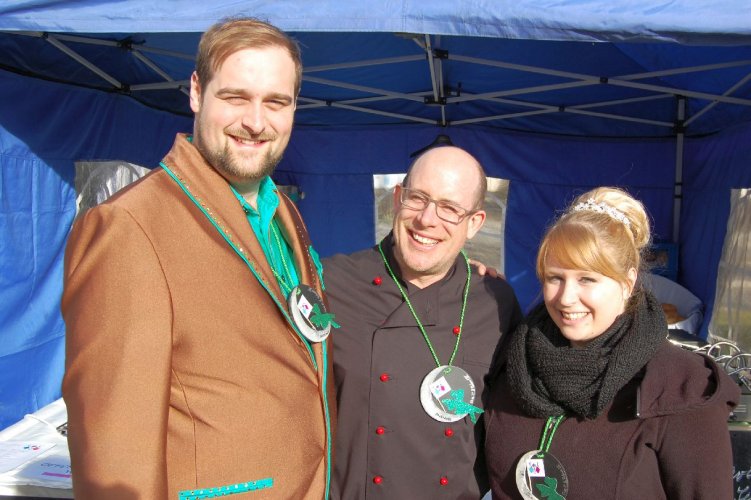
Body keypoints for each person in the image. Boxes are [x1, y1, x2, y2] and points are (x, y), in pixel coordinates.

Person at [62, 18, 336, 499]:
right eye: (235, 97)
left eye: (276, 102)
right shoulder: (128, 226)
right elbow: (114, 453)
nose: (256, 122)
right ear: (196, 92)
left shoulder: (282, 210)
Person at [484, 187, 740, 499]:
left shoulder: (680, 387)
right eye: (555, 278)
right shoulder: (515, 361)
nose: (566, 298)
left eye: (587, 279)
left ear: (627, 282)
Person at [325, 145, 522, 499]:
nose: (427, 219)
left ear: (474, 223)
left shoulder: (495, 304)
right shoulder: (331, 282)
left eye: (449, 208)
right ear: (397, 198)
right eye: (417, 198)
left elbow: (512, 426)